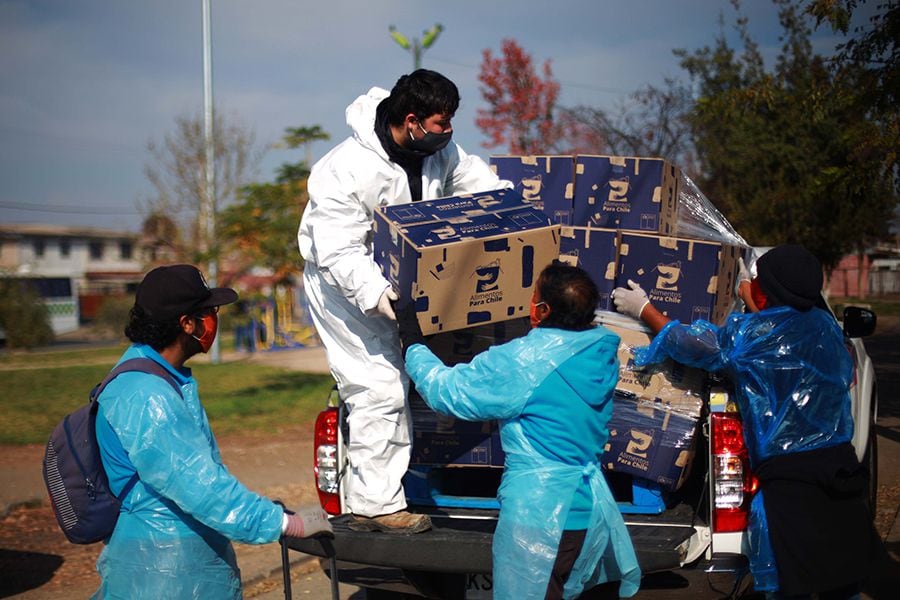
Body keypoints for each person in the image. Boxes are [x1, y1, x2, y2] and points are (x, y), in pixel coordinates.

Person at [297, 69, 511, 533]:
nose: (449, 131)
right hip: (346, 291)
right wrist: (382, 298)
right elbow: (339, 253)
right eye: (441, 122)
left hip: (413, 285)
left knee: (420, 379)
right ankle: (376, 508)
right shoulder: (345, 168)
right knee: (379, 387)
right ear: (411, 121)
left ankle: (398, 485)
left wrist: (510, 212)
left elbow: (471, 177)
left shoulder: (437, 150)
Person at [611, 245, 881, 599]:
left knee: (788, 583)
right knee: (840, 577)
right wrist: (752, 291)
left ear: (766, 294)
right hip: (839, 473)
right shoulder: (827, 329)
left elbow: (690, 343)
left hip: (789, 484)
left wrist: (643, 308)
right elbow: (783, 320)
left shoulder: (751, 337)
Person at [398, 262, 641, 600]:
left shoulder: (525, 361)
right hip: (591, 515)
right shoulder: (601, 353)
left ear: (542, 310)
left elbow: (449, 392)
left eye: (533, 296)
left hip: (539, 520)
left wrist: (412, 342)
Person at [93, 264, 332, 599]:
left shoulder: (152, 376)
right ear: (187, 323)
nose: (213, 320)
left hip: (166, 563)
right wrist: (281, 523)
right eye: (209, 312)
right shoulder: (148, 395)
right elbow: (200, 487)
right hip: (166, 573)